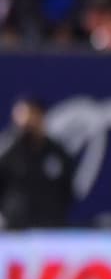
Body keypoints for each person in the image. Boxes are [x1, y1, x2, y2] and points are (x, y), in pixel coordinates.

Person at [0, 97, 75, 229]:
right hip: (14, 229)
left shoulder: (56, 152)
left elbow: (67, 189)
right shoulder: (7, 152)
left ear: (41, 118)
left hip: (50, 227)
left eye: (31, 119)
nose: (27, 126)